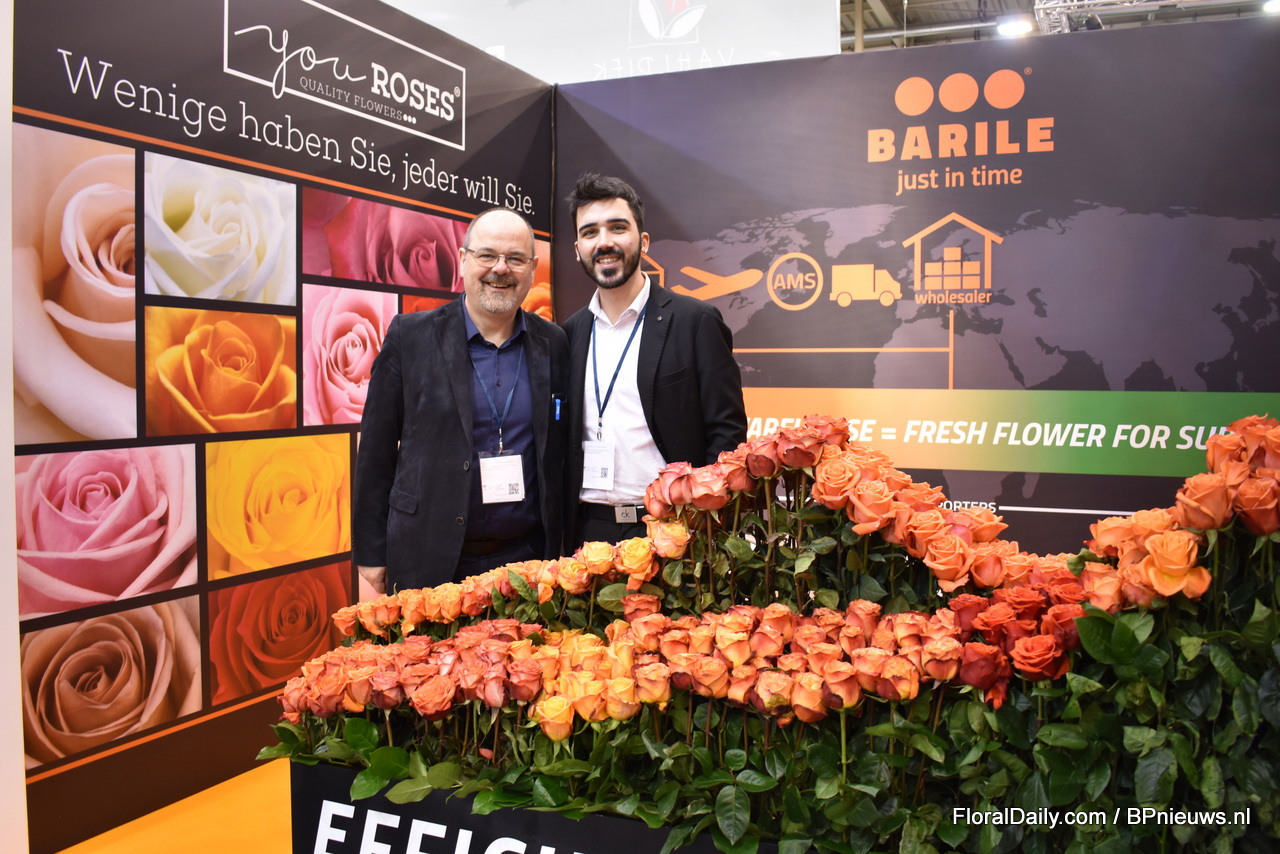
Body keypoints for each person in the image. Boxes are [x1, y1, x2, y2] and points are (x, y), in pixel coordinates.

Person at [354, 208, 569, 594]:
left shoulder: (553, 343)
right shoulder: (410, 337)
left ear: (533, 269)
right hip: (429, 558)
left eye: (515, 258)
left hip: (529, 563)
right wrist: (371, 550)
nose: (500, 268)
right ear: (462, 259)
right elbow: (376, 450)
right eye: (487, 255)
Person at [563, 173, 747, 547]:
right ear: (578, 249)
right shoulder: (569, 334)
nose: (604, 241)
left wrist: (701, 520)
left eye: (618, 227)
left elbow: (727, 434)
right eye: (590, 232)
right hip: (588, 533)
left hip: (672, 528)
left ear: (644, 241)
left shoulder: (695, 322)